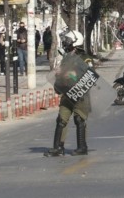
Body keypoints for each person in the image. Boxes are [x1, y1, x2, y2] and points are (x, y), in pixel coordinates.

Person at [44, 29, 98, 157]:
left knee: (79, 119)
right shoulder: (67, 57)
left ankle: (82, 147)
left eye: (67, 41)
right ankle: (58, 147)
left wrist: (72, 76)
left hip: (80, 94)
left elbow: (90, 76)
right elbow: (63, 74)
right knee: (61, 120)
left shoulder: (85, 58)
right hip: (67, 93)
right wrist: (59, 76)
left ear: (75, 42)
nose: (65, 43)